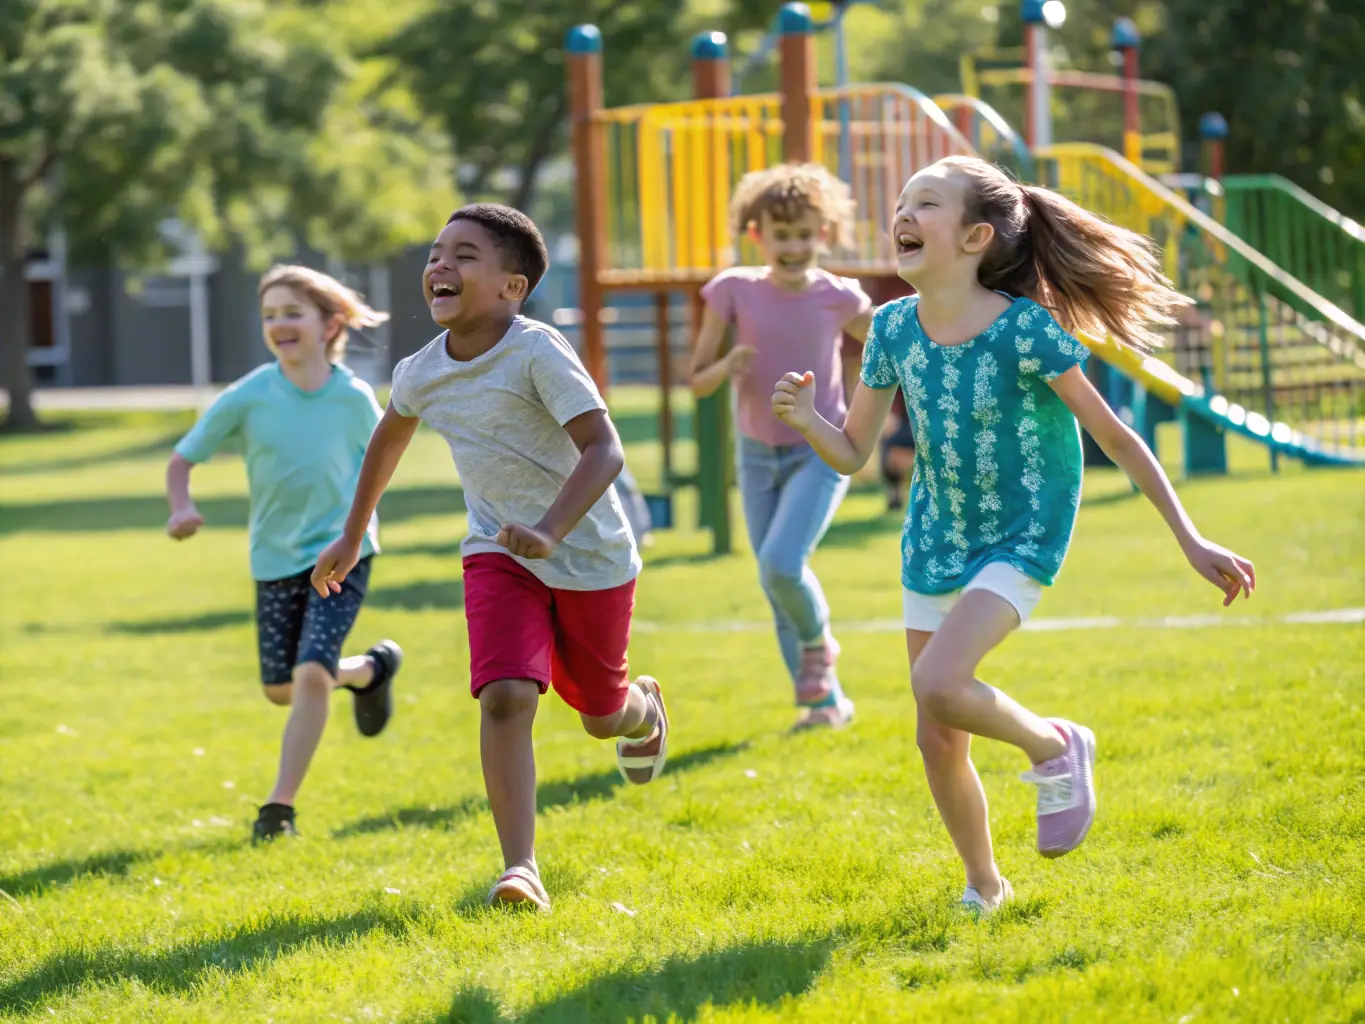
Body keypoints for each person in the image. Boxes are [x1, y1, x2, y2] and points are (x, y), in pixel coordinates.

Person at [773, 156, 1255, 914]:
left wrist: (1191, 540)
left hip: (1023, 529)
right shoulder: (893, 327)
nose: (901, 214)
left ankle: (1053, 746)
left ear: (973, 236)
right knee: (936, 736)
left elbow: (1119, 438)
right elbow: (852, 452)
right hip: (935, 535)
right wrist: (809, 425)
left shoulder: (1023, 329)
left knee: (936, 683)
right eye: (901, 202)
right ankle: (983, 884)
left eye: (923, 203)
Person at [311, 204, 670, 913]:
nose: (439, 266)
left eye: (464, 255)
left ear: (512, 286)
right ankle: (521, 868)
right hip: (496, 550)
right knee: (506, 695)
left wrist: (551, 528)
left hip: (589, 552)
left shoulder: (537, 352)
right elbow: (387, 440)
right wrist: (353, 533)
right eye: (436, 254)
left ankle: (641, 710)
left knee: (597, 713)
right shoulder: (421, 371)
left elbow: (605, 449)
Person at [165, 265, 404, 845]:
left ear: (331, 324)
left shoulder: (352, 399)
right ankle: (371, 671)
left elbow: (385, 459)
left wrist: (355, 527)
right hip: (273, 559)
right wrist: (181, 507)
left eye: (292, 311)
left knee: (312, 672)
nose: (279, 323)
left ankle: (278, 808)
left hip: (342, 554)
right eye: (270, 315)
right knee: (282, 689)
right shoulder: (249, 394)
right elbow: (183, 459)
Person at [691, 163, 873, 731]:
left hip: (821, 449)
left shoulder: (838, 297)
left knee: (780, 562)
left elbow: (896, 347)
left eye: (804, 234)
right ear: (757, 235)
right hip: (755, 454)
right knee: (775, 583)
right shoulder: (732, 291)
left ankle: (818, 647)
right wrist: (728, 363)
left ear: (824, 233)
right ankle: (826, 707)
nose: (793, 246)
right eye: (781, 234)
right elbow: (697, 379)